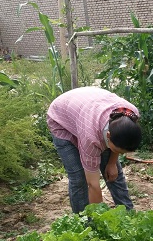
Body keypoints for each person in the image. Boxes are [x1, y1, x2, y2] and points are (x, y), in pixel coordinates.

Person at [46, 86, 142, 214]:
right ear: (108, 135)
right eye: (117, 150)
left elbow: (116, 150)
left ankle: (129, 216)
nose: (120, 154)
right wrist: (99, 220)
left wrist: (112, 162)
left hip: (87, 109)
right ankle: (84, 222)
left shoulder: (130, 115)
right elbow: (93, 185)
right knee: (79, 179)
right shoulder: (91, 138)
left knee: (114, 173)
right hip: (61, 118)